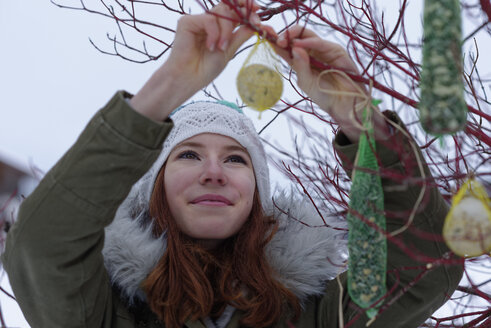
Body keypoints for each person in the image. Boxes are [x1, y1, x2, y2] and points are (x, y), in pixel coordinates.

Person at [2, 1, 463, 327]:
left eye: (236, 158)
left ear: (256, 193)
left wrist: (361, 121)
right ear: (153, 187)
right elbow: (41, 247)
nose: (214, 171)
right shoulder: (102, 307)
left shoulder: (318, 313)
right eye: (188, 154)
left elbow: (429, 265)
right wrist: (168, 85)